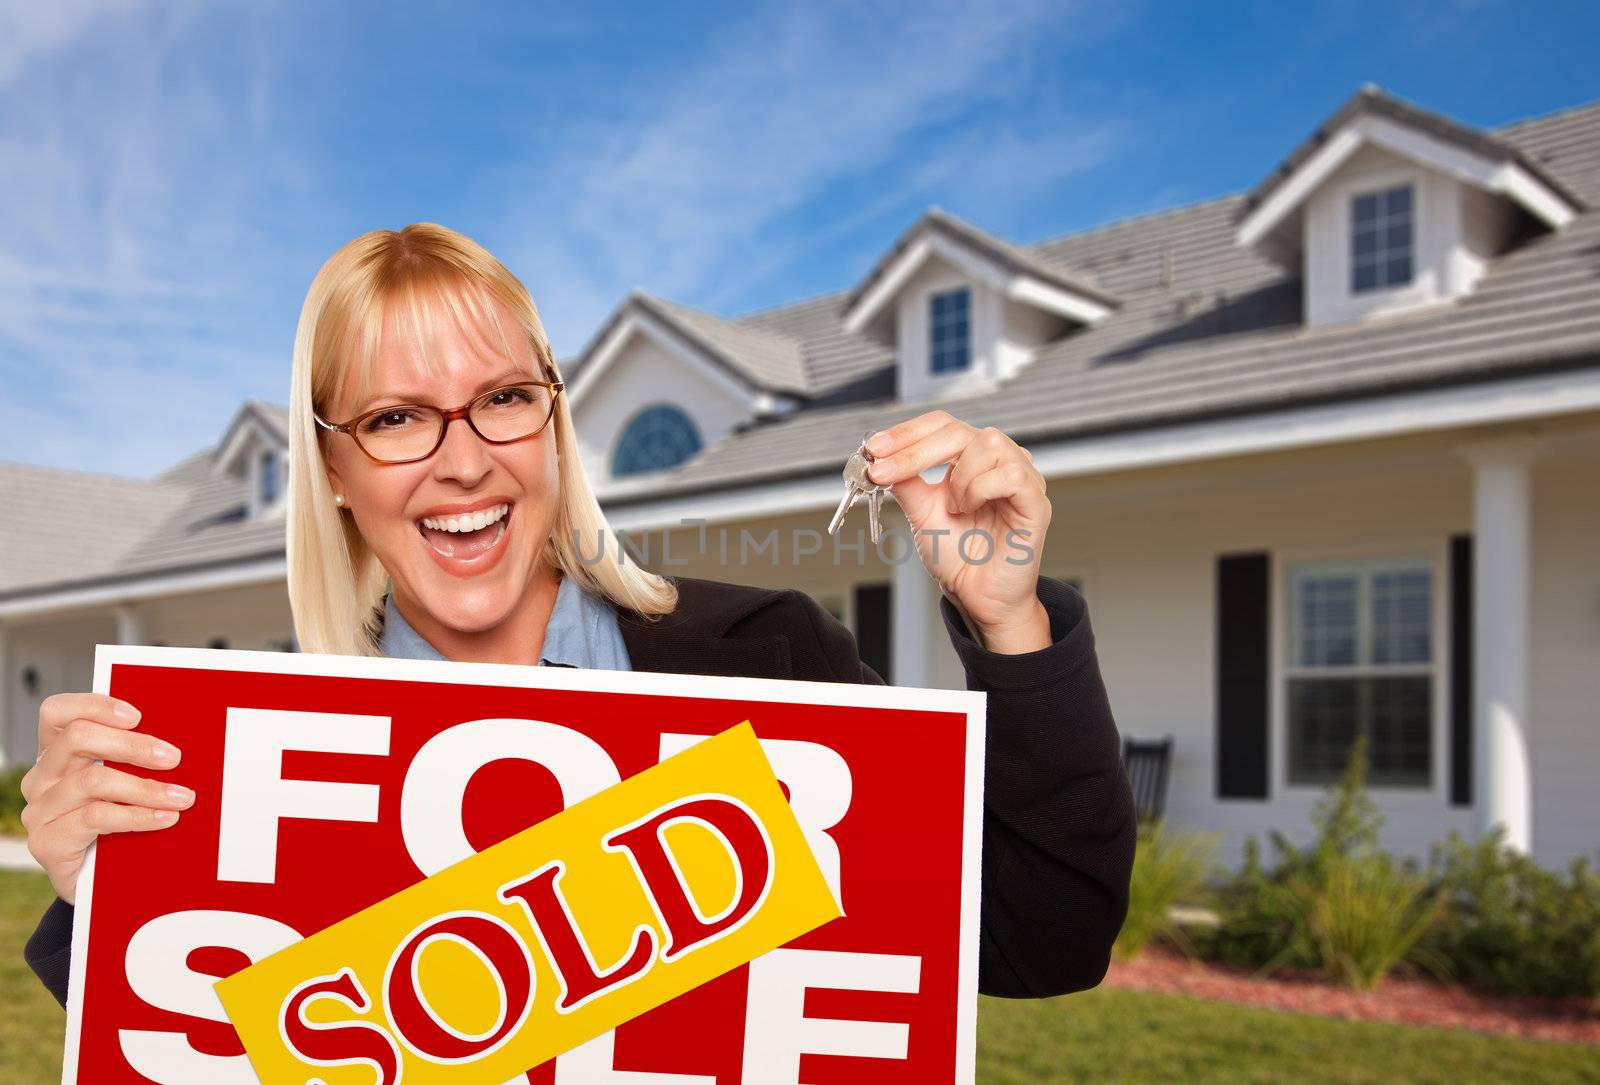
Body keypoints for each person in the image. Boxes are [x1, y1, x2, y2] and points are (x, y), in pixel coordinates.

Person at [22, 224, 1135, 1010]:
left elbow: (1047, 933)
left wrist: (1008, 618)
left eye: (504, 398)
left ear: (552, 423)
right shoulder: (239, 773)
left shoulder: (769, 660)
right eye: (398, 416)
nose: (464, 462)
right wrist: (109, 899)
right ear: (333, 467)